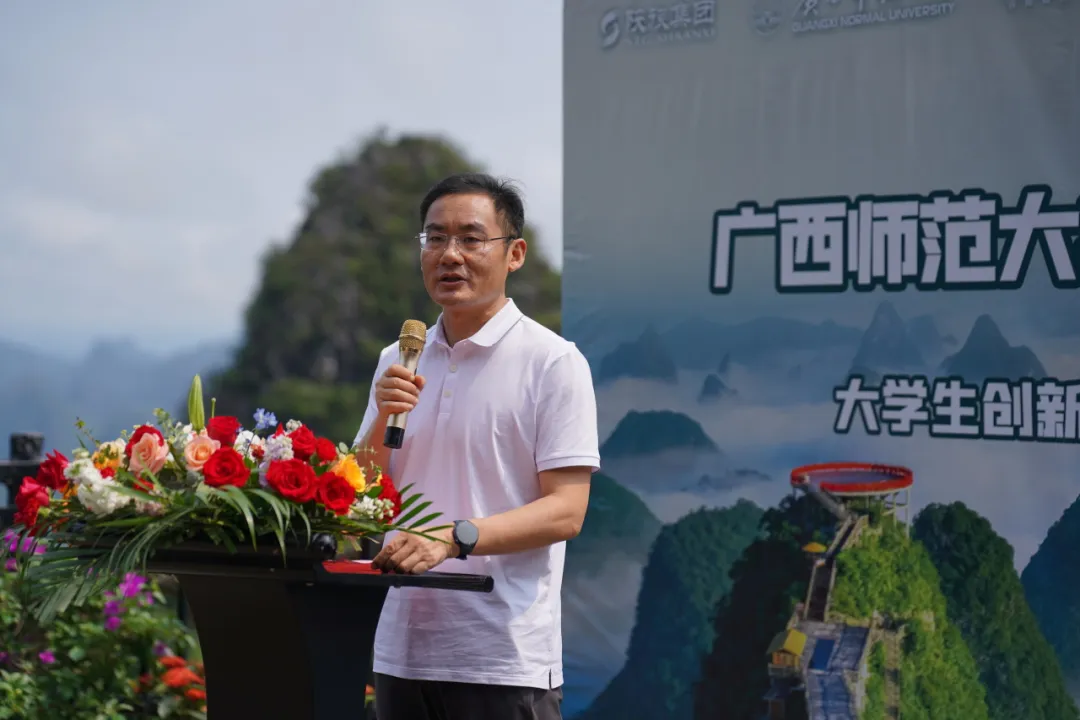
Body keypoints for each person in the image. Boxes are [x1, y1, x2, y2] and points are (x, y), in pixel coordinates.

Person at [353, 172, 600, 720]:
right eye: (435, 238)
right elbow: (359, 493)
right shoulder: (398, 357)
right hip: (400, 651)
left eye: (470, 238)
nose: (450, 254)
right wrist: (385, 413)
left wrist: (453, 538)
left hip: (502, 659)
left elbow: (567, 510)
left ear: (515, 254)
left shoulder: (552, 363)